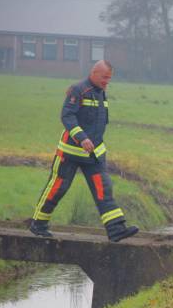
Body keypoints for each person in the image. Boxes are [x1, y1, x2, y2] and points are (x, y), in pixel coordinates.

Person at [30, 60, 139, 242]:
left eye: (109, 79)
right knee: (58, 187)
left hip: (93, 155)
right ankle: (38, 224)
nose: (107, 82)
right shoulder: (78, 89)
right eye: (104, 78)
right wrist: (82, 138)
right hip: (69, 153)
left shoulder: (101, 92)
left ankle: (116, 230)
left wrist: (98, 146)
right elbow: (67, 115)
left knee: (103, 189)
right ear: (94, 73)